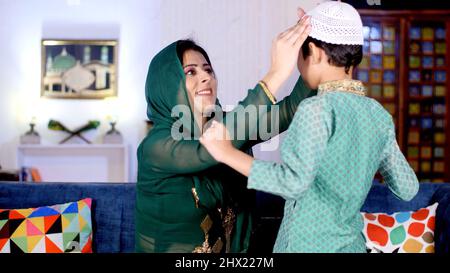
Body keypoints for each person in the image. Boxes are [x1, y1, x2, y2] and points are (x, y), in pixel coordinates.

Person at [199, 1, 419, 253]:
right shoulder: (379, 116)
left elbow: (292, 183)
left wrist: (226, 153)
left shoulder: (315, 109)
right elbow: (408, 188)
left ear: (312, 51)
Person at [135, 14, 313, 253]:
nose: (206, 76)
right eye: (190, 72)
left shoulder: (228, 126)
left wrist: (315, 52)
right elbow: (209, 149)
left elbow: (289, 110)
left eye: (208, 69)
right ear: (167, 86)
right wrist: (276, 73)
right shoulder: (155, 148)